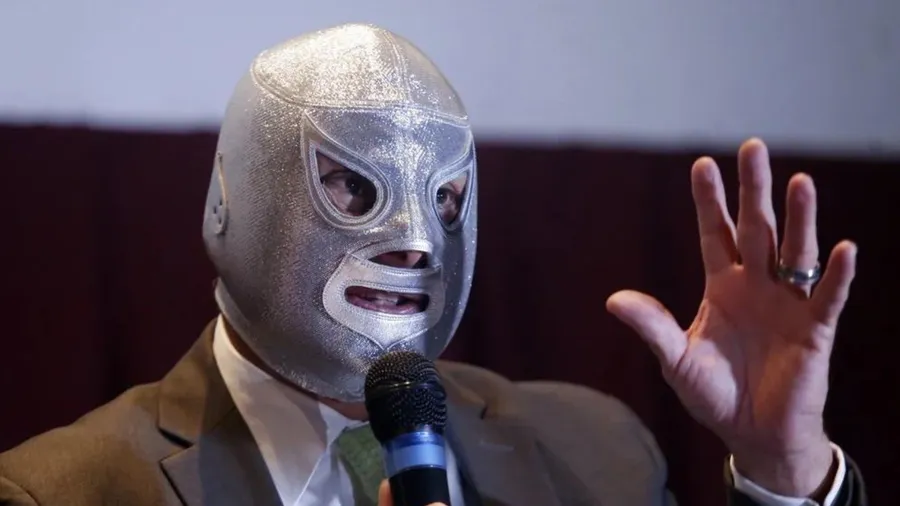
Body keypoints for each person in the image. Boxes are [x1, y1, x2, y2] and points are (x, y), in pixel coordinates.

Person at [0, 23, 867, 506]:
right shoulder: (64, 493)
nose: (417, 240)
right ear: (235, 197)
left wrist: (784, 469)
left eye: (446, 198)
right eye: (353, 185)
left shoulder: (598, 457)